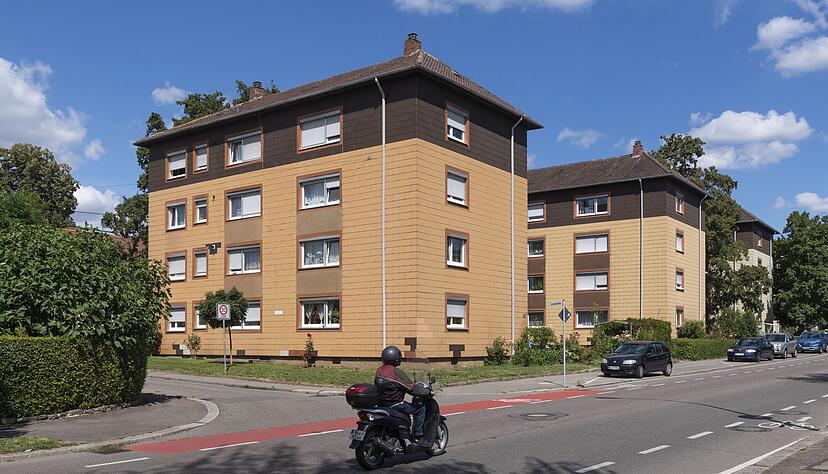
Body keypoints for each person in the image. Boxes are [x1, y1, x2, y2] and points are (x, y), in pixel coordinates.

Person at [375, 345, 430, 447]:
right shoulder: (395, 372)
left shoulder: (379, 370)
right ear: (395, 358)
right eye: (399, 356)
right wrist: (426, 392)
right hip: (395, 404)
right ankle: (418, 437)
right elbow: (411, 388)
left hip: (381, 404)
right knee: (420, 409)